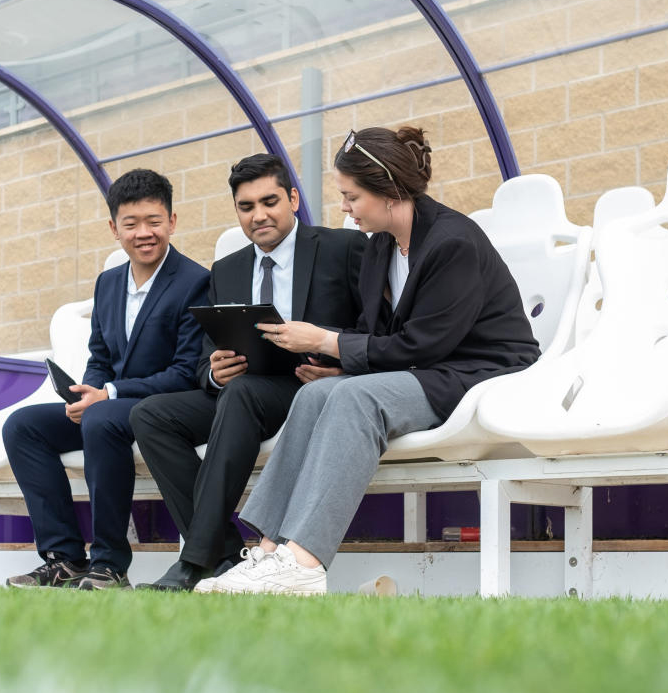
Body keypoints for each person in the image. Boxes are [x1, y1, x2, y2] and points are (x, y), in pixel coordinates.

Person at [202, 126, 541, 595]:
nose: (343, 207)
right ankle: (266, 552)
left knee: (355, 400)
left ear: (388, 191)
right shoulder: (382, 243)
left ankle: (303, 563)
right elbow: (380, 333)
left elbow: (423, 346)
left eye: (351, 196)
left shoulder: (452, 242)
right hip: (426, 370)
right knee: (318, 393)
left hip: (478, 374)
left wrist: (325, 341)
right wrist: (340, 364)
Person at [130, 154, 367, 591]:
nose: (259, 215)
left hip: (316, 388)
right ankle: (220, 553)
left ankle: (193, 559)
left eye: (270, 201)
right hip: (248, 390)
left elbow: (375, 328)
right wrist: (215, 372)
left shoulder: (344, 248)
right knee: (151, 415)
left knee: (241, 396)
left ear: (293, 199)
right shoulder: (227, 269)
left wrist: (340, 365)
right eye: (246, 206)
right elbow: (206, 357)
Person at [1, 168, 210, 590]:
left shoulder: (196, 282)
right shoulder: (109, 283)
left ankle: (110, 564)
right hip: (108, 408)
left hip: (161, 407)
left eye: (154, 221)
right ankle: (65, 557)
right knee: (24, 427)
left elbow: (186, 372)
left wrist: (110, 393)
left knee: (102, 418)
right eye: (131, 224)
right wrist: (87, 391)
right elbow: (100, 355)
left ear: (172, 221)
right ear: (114, 229)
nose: (144, 233)